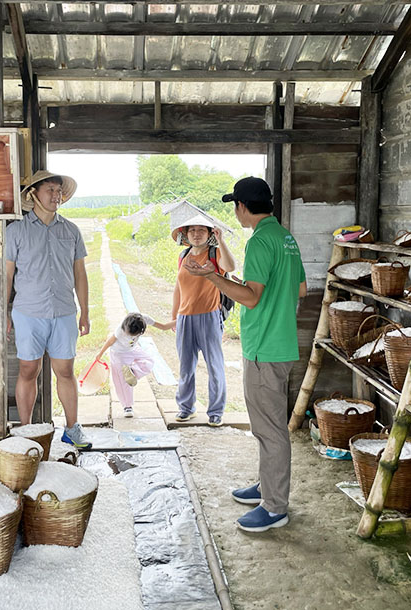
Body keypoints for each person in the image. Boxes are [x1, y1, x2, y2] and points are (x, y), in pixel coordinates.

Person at [184, 177, 306, 532]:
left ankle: (275, 506)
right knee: (267, 425)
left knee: (270, 430)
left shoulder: (259, 241)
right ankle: (267, 486)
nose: (235, 213)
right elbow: (300, 288)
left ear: (242, 206)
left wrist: (212, 277)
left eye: (235, 206)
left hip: (265, 348)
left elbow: (251, 297)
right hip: (280, 343)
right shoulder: (284, 237)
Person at [5, 170, 93, 449]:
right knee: (28, 369)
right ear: (33, 194)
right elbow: (7, 275)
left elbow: (80, 274)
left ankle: (72, 429)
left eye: (59, 191)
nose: (56, 196)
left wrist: (85, 311)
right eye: (50, 190)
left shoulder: (71, 230)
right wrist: (3, 313)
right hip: (28, 312)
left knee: (65, 370)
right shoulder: (16, 231)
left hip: (64, 311)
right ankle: (25, 431)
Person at [170, 214, 236, 427]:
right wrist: (174, 316)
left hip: (209, 316)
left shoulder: (215, 253)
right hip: (184, 318)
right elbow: (179, 287)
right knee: (185, 367)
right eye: (192, 230)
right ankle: (186, 408)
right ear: (185, 235)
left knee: (214, 366)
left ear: (209, 234)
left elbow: (230, 267)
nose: (196, 234)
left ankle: (215, 412)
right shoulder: (183, 255)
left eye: (201, 230)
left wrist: (221, 241)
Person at [95, 312, 172, 418]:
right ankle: (127, 407)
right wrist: (100, 354)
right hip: (119, 354)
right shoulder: (120, 329)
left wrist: (182, 319)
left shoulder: (145, 319)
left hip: (133, 349)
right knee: (122, 382)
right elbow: (110, 342)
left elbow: (163, 327)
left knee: (149, 361)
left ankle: (132, 371)